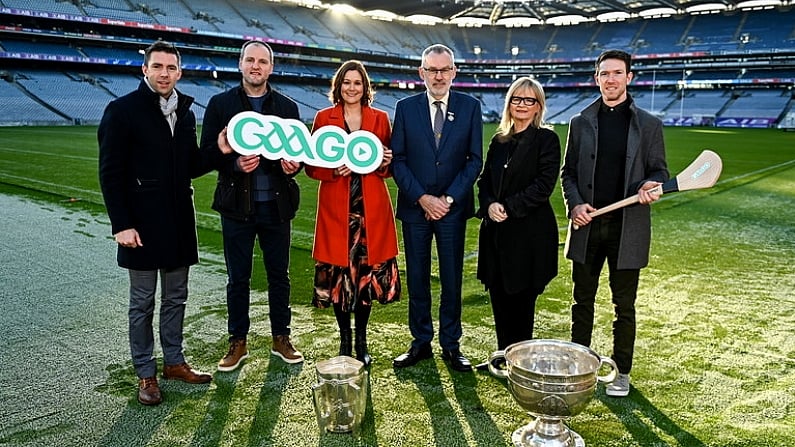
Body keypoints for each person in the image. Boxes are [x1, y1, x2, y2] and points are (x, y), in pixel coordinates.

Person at [98, 40, 231, 406]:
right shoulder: (122, 110)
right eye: (157, 67)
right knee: (142, 302)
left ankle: (174, 362)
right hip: (139, 225)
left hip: (177, 222)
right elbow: (110, 173)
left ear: (180, 72)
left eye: (171, 68)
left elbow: (189, 165)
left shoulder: (185, 112)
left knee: (176, 298)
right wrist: (120, 224)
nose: (164, 74)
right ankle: (145, 373)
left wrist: (218, 150)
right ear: (145, 69)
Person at [561, 49, 669, 397]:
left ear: (629, 78)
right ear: (597, 78)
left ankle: (621, 371)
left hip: (627, 228)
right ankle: (579, 364)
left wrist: (649, 185)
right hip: (589, 225)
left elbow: (659, 171)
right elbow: (568, 174)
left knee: (624, 305)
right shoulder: (579, 122)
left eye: (617, 73)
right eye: (604, 73)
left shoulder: (649, 125)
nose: (611, 79)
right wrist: (575, 205)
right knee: (582, 301)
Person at [199, 40, 304, 372]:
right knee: (238, 278)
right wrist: (233, 165)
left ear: (271, 68)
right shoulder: (220, 104)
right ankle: (238, 341)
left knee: (279, 276)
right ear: (240, 64)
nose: (256, 66)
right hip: (236, 206)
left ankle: (281, 337)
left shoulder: (287, 107)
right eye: (250, 60)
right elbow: (207, 154)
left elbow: (297, 152)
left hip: (276, 206)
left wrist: (294, 165)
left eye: (263, 61)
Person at [390, 44, 483, 372]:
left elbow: (475, 161)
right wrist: (422, 198)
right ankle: (420, 342)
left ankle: (451, 344)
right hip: (416, 209)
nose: (438, 75)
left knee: (451, 278)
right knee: (417, 276)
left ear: (454, 72)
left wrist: (447, 200)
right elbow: (397, 161)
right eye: (432, 69)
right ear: (422, 73)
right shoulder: (405, 108)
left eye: (444, 69)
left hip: (452, 210)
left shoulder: (470, 107)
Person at [306, 60, 401, 367]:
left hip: (371, 210)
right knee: (339, 278)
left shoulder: (380, 118)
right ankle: (344, 340)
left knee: (364, 279)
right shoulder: (323, 118)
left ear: (365, 87)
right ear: (338, 86)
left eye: (357, 82)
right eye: (346, 82)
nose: (351, 87)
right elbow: (310, 164)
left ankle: (361, 340)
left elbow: (388, 169)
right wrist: (333, 169)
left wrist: (386, 159)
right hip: (337, 210)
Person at [476, 77, 560, 356]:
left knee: (522, 301)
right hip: (497, 235)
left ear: (538, 107)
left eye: (529, 100)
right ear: (509, 104)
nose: (522, 105)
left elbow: (543, 185)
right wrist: (489, 205)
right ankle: (503, 355)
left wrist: (508, 207)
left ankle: (519, 359)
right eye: (516, 99)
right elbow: (484, 181)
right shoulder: (499, 141)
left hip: (529, 236)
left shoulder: (547, 139)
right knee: (499, 297)